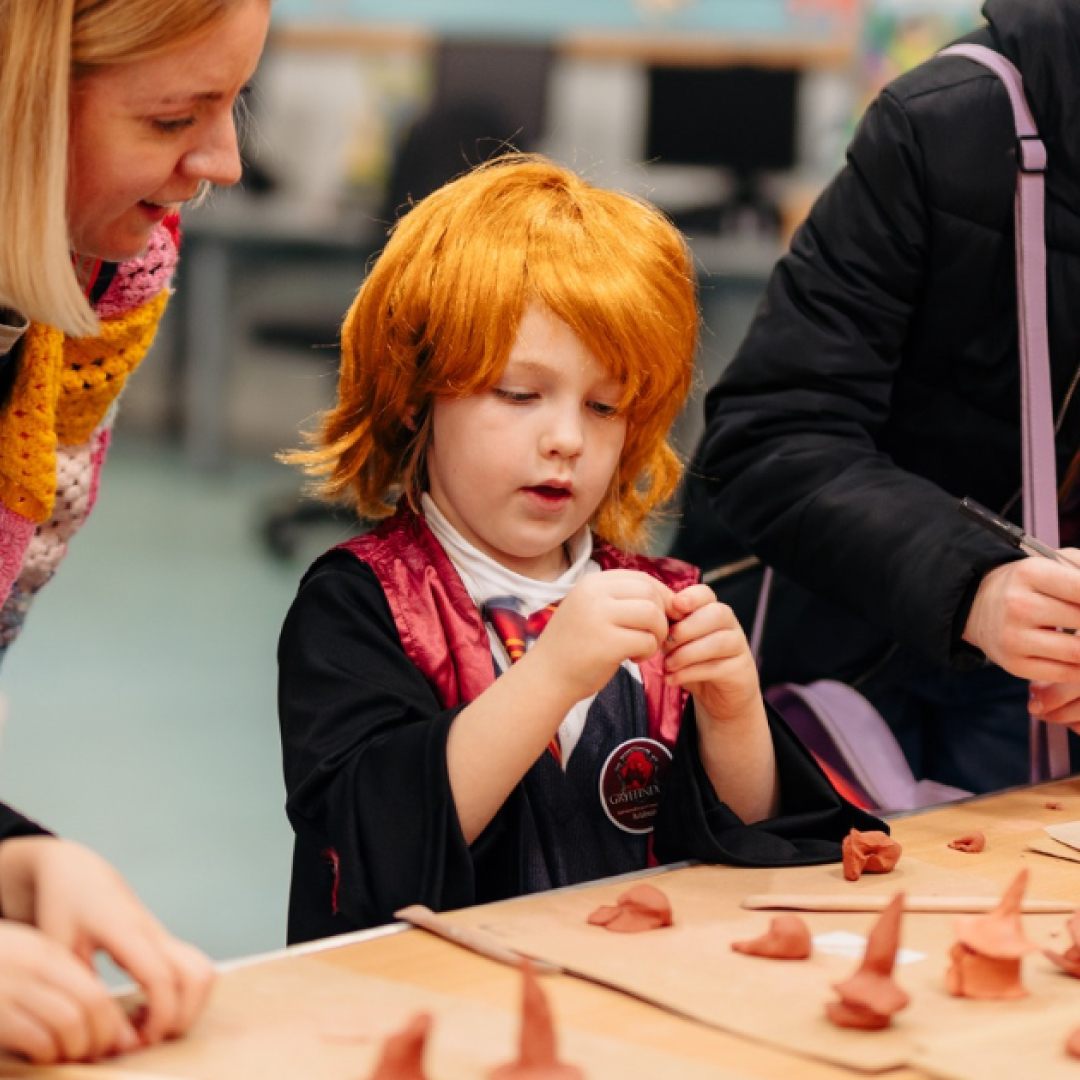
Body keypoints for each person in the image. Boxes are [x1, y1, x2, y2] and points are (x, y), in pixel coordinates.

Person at [277, 154, 881, 944]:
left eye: (605, 406)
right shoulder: (362, 603)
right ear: (417, 391)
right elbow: (372, 845)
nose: (566, 438)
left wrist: (734, 715)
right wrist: (554, 675)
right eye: (520, 394)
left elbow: (756, 837)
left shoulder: (656, 602)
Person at [672, 0, 1080, 796]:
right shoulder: (948, 124)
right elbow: (772, 436)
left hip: (1042, 673)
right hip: (852, 643)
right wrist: (980, 586)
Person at [0, 0, 270, 1063]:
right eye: (172, 118)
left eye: (232, 103)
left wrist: (18, 861)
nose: (226, 159)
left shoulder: (85, 294)